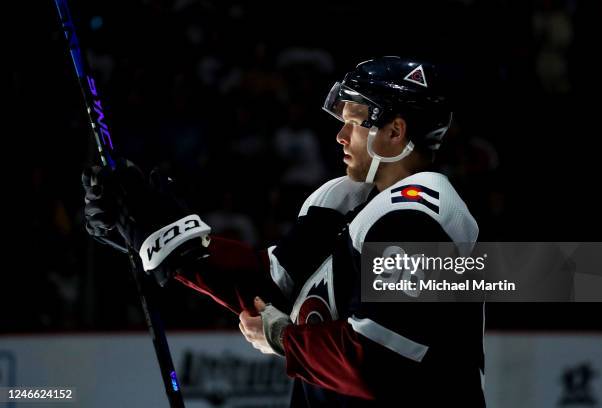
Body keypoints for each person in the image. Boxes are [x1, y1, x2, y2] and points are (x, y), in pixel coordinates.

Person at [82, 56, 485, 406]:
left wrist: (282, 338)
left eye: (354, 124)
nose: (340, 136)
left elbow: (378, 359)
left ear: (395, 133)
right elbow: (270, 288)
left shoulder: (420, 216)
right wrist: (168, 238)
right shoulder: (343, 201)